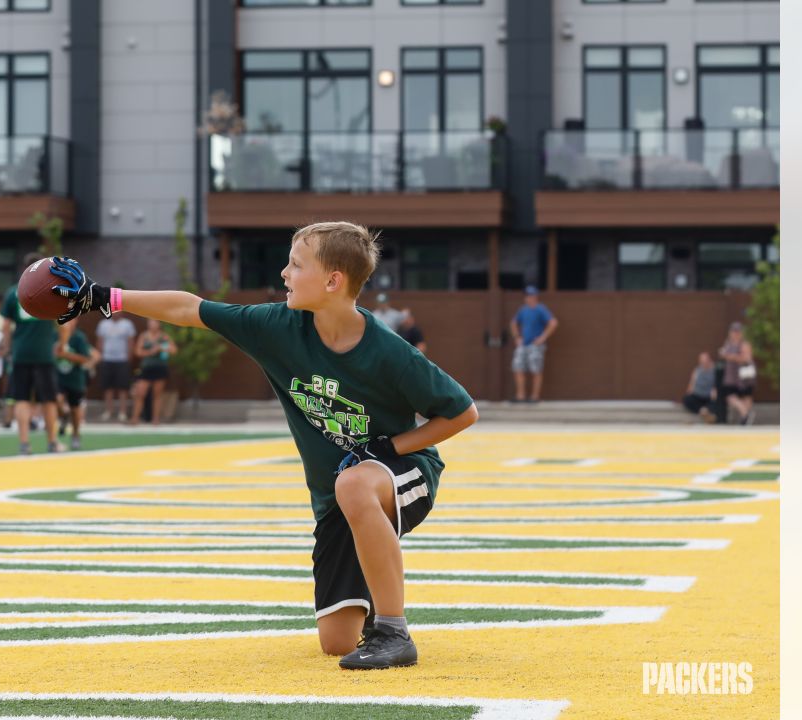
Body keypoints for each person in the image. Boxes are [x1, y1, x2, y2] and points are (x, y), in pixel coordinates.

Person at [45, 220, 479, 670]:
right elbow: (190, 309)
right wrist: (105, 297)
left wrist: (390, 449)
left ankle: (393, 630)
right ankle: (373, 591)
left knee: (354, 484)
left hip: (405, 474)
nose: (284, 273)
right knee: (336, 642)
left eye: (295, 264)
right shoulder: (277, 327)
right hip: (339, 498)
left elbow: (462, 412)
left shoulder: (390, 351)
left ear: (333, 281)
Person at [1, 257, 68, 454]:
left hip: (21, 351)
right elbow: (64, 320)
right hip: (44, 350)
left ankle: (24, 443)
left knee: (21, 398)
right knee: (48, 399)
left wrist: (8, 346)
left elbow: (5, 325)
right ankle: (52, 441)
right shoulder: (53, 289)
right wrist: (62, 344)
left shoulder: (13, 292)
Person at [510, 285, 559, 404]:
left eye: (531, 295)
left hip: (535, 346)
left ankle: (534, 396)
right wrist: (517, 337)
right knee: (518, 368)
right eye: (526, 295)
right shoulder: (523, 310)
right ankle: (520, 396)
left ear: (536, 297)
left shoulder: (540, 309)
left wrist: (543, 337)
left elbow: (553, 323)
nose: (528, 298)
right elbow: (514, 323)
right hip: (523, 345)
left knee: (536, 370)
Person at [55, 325, 100, 450]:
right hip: (58, 377)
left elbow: (86, 358)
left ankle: (75, 435)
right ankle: (64, 415)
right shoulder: (54, 335)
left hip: (75, 379)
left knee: (75, 409)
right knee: (56, 399)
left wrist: (65, 355)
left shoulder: (79, 337)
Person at [129, 318, 177, 426]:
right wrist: (150, 352)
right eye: (151, 322)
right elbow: (137, 351)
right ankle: (135, 418)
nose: (153, 324)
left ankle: (156, 419)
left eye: (155, 322)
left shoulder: (164, 336)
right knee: (140, 393)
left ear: (159, 324)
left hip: (160, 368)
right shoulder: (144, 336)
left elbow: (174, 350)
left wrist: (161, 348)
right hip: (146, 368)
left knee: (157, 394)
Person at [95, 310, 138, 422]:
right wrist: (100, 356)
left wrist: (129, 357)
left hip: (122, 359)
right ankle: (109, 411)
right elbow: (100, 342)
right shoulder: (103, 324)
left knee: (123, 387)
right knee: (107, 387)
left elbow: (131, 342)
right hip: (106, 359)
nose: (115, 313)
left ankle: (122, 412)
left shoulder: (127, 324)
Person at [717, 321, 757, 425]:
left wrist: (728, 356)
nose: (735, 334)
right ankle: (746, 415)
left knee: (746, 396)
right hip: (731, 375)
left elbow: (746, 358)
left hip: (743, 374)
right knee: (731, 396)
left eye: (737, 331)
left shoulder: (744, 344)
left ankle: (745, 417)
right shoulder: (728, 343)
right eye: (733, 331)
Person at [682, 352, 719, 424]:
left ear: (709, 360)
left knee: (716, 401)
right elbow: (692, 382)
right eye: (702, 361)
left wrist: (715, 389)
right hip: (698, 395)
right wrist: (689, 390)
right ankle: (703, 412)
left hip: (709, 396)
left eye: (705, 361)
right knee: (687, 399)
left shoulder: (714, 370)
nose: (703, 363)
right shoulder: (697, 370)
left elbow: (717, 383)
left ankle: (706, 412)